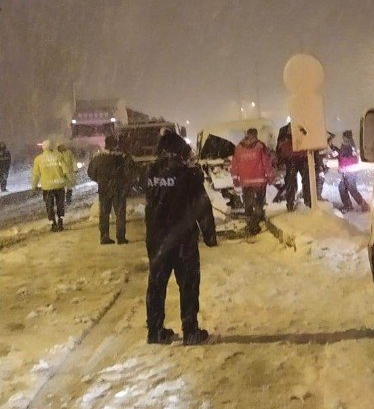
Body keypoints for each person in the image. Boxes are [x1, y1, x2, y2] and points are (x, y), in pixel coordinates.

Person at [144, 128, 216, 345]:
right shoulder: (188, 174)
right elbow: (203, 206)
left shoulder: (150, 172)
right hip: (182, 239)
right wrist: (210, 236)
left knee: (157, 285)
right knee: (188, 285)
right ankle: (190, 331)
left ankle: (155, 331)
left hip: (157, 239)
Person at [87, 135, 133, 244]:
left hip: (104, 189)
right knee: (120, 214)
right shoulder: (121, 158)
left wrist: (100, 180)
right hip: (118, 189)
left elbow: (91, 173)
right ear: (115, 144)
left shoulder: (97, 159)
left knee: (104, 213)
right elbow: (129, 172)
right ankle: (121, 237)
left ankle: (104, 237)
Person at [230, 127, 274, 235]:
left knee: (248, 204)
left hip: (246, 182)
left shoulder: (239, 147)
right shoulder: (260, 146)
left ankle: (250, 224)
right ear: (256, 134)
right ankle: (256, 224)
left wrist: (235, 178)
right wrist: (271, 176)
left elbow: (234, 164)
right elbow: (266, 162)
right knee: (259, 203)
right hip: (259, 181)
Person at [30, 139, 69, 231]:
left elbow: (36, 175)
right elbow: (66, 170)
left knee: (49, 206)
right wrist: (68, 181)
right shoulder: (59, 156)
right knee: (60, 204)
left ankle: (53, 224)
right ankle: (60, 221)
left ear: (43, 148)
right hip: (59, 185)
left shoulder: (38, 159)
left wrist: (34, 186)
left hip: (47, 187)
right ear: (51, 147)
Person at [276, 121, 311, 211]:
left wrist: (280, 160)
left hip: (291, 158)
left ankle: (291, 204)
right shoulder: (303, 128)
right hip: (301, 157)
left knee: (291, 182)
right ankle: (307, 203)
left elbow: (279, 147)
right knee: (305, 181)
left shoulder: (284, 130)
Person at [337, 129, 369, 212]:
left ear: (347, 137)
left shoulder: (351, 146)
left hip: (350, 171)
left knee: (351, 188)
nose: (343, 139)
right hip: (345, 171)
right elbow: (341, 156)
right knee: (342, 188)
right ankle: (348, 206)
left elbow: (352, 159)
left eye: (344, 137)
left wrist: (343, 159)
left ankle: (364, 205)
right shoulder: (345, 145)